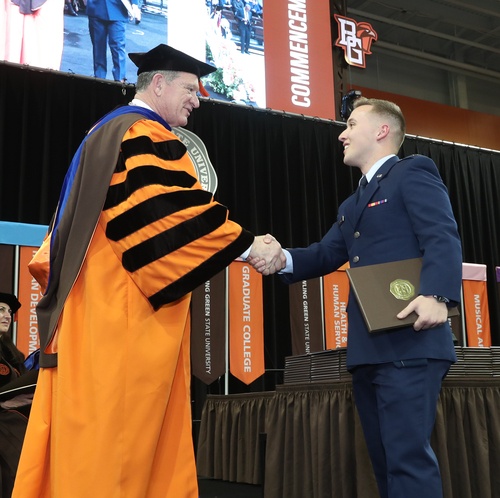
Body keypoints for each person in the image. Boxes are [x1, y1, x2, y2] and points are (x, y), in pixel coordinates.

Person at [12, 44, 283, 498]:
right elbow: (166, 215)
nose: (197, 100)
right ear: (158, 83)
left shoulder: (105, 131)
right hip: (123, 316)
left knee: (91, 437)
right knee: (119, 448)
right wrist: (248, 245)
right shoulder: (142, 132)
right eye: (190, 89)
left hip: (95, 309)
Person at [250, 97, 462, 498]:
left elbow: (441, 235)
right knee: (383, 461)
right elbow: (325, 254)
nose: (341, 135)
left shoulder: (412, 172)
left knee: (407, 461)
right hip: (369, 349)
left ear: (382, 131)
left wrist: (437, 294)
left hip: (412, 339)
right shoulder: (352, 204)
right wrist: (280, 259)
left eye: (350, 124)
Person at [86, 0, 140, 82]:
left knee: (118, 47)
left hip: (118, 9)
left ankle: (120, 80)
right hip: (96, 7)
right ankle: (99, 79)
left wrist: (135, 4)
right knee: (98, 47)